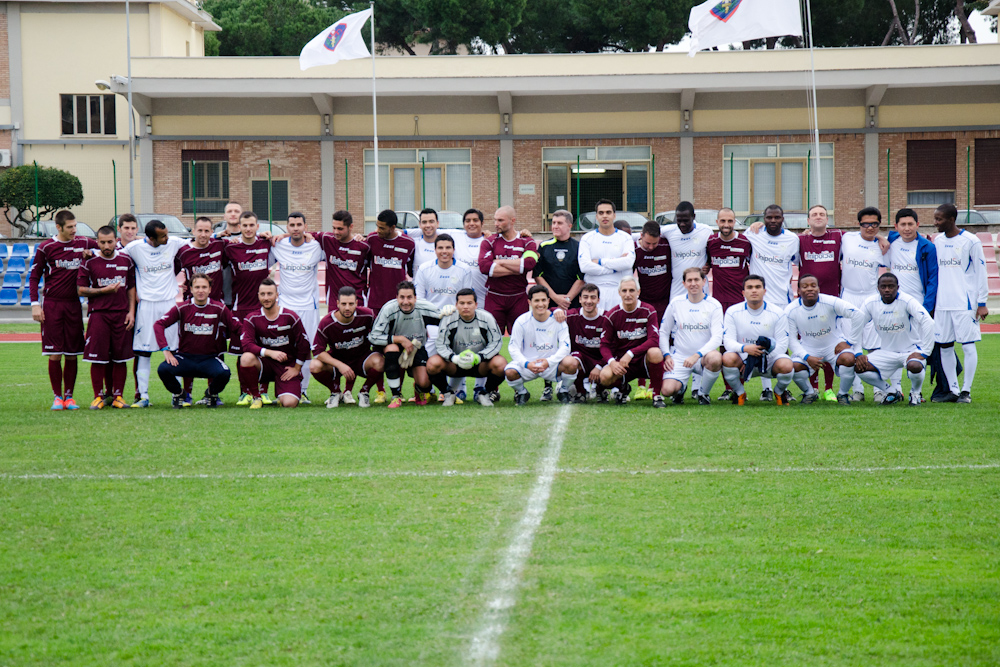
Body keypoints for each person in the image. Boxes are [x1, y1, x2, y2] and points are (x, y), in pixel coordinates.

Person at [28, 209, 99, 410]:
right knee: (55, 354)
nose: (74, 230)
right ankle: (57, 397)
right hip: (52, 305)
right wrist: (35, 305)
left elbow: (106, 247)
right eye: (70, 227)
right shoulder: (46, 247)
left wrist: (93, 252)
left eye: (75, 226)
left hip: (74, 305)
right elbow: (34, 278)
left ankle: (69, 397)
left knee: (72, 353)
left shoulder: (84, 243)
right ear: (58, 227)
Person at [311, 210, 379, 403]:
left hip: (357, 301)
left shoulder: (363, 246)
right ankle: (337, 391)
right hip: (335, 302)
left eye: (340, 228)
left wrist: (364, 236)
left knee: (356, 342)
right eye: (333, 227)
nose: (335, 232)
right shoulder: (327, 239)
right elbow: (305, 234)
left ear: (351, 227)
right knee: (339, 344)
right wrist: (281, 235)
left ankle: (349, 391)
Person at [124, 218, 189, 408]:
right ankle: (143, 396)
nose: (167, 238)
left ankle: (177, 395)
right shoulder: (135, 248)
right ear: (151, 238)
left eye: (167, 233)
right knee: (144, 353)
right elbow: (113, 253)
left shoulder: (174, 242)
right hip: (147, 306)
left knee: (174, 352)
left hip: (169, 304)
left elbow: (198, 242)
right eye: (163, 236)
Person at [154, 273, 241, 408]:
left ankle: (211, 394)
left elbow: (238, 328)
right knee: (163, 369)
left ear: (210, 289)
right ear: (191, 289)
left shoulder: (219, 308)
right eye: (197, 287)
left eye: (204, 287)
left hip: (209, 359)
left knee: (224, 373)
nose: (201, 290)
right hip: (185, 358)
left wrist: (251, 342)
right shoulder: (182, 308)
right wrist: (165, 350)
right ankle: (179, 394)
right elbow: (159, 324)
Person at [931, 203, 989, 403]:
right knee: (945, 346)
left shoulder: (971, 241)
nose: (935, 222)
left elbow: (982, 272)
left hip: (964, 303)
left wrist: (982, 302)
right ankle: (953, 390)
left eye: (939, 219)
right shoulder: (937, 241)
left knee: (967, 345)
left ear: (951, 219)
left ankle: (966, 391)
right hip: (942, 304)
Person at [744, 204, 799, 401]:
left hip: (782, 301)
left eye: (777, 217)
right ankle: (766, 389)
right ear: (764, 219)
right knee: (760, 342)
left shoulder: (793, 239)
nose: (773, 221)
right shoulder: (752, 234)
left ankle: (781, 387)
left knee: (781, 345)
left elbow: (800, 261)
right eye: (769, 217)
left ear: (783, 219)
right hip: (758, 299)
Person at [854, 273, 935, 406]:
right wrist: (858, 353)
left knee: (914, 366)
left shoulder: (907, 301)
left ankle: (915, 394)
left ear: (898, 287)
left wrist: (925, 352)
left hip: (910, 351)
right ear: (877, 288)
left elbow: (928, 322)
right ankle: (891, 392)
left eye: (891, 286)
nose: (887, 290)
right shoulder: (870, 303)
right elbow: (856, 327)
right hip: (886, 352)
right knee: (859, 367)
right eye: (883, 286)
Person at [77, 225, 136, 409]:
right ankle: (98, 397)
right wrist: (105, 290)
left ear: (116, 240)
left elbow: (131, 288)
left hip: (121, 315)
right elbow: (81, 289)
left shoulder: (126, 260)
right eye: (102, 242)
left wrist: (131, 312)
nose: (106, 245)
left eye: (110, 241)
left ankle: (118, 396)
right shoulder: (89, 262)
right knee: (97, 358)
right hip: (99, 315)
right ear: (97, 242)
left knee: (121, 357)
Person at [783, 274, 865, 406]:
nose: (810, 289)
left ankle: (843, 394)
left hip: (833, 347)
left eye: (813, 286)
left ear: (818, 289)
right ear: (798, 291)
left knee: (849, 359)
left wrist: (849, 341)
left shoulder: (830, 301)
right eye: (805, 286)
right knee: (794, 366)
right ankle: (809, 393)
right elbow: (791, 339)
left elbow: (858, 315)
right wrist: (807, 356)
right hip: (809, 348)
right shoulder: (790, 310)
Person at [269, 211, 324, 403]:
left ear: (305, 227)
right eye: (291, 225)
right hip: (285, 305)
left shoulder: (316, 246)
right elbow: (260, 239)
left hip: (309, 305)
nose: (295, 228)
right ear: (287, 227)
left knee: (306, 347)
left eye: (299, 225)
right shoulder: (278, 245)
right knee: (284, 347)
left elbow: (336, 240)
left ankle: (303, 390)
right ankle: (283, 389)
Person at [223, 211, 275, 405]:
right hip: (241, 307)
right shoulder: (230, 248)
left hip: (264, 308)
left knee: (265, 349)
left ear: (257, 227)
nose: (248, 228)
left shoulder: (265, 244)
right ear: (239, 227)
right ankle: (244, 392)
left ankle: (264, 391)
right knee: (240, 352)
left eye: (251, 225)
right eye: (244, 225)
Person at [176, 216, 229, 405]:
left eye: (207, 231)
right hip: (191, 308)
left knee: (217, 349)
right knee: (189, 349)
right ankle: (186, 394)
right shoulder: (184, 252)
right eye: (200, 230)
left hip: (216, 308)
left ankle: (212, 394)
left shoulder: (219, 246)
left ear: (211, 232)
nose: (204, 234)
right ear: (194, 231)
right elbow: (170, 272)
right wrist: (181, 287)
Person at [534, 209, 585, 401]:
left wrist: (568, 300)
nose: (555, 226)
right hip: (549, 305)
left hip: (571, 305)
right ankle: (547, 386)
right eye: (553, 223)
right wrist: (555, 298)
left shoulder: (579, 247)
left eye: (559, 223)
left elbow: (582, 277)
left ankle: (569, 385)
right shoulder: (544, 246)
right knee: (548, 344)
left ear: (570, 226)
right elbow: (537, 275)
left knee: (572, 343)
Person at [721, 274, 795, 405]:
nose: (754, 290)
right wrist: (745, 350)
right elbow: (728, 342)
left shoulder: (778, 312)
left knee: (786, 364)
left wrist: (761, 358)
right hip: (743, 360)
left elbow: (783, 344)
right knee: (727, 358)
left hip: (769, 360)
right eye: (749, 287)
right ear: (743, 292)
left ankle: (779, 392)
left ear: (764, 291)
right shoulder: (732, 311)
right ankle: (739, 393)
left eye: (757, 287)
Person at [886, 208, 938, 397]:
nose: (907, 228)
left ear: (918, 224)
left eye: (910, 224)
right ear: (896, 226)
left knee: (918, 348)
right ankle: (896, 388)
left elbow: (933, 278)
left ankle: (917, 392)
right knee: (894, 346)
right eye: (903, 224)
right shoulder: (891, 242)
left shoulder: (927, 247)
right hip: (896, 305)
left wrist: (927, 307)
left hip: (918, 304)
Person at [237, 278, 311, 409]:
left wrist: (297, 368)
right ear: (258, 296)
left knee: (289, 403)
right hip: (265, 364)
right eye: (263, 294)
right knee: (246, 358)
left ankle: (283, 391)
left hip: (286, 367)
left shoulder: (290, 316)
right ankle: (257, 397)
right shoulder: (252, 318)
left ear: (277, 295)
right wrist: (270, 353)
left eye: (270, 294)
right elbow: (247, 345)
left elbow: (304, 345)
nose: (266, 298)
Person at [368, 280, 443, 409]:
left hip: (417, 347)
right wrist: (400, 339)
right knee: (392, 348)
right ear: (396, 297)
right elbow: (373, 337)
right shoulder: (388, 309)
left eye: (409, 297)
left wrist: (451, 312)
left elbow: (446, 320)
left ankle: (419, 390)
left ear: (415, 298)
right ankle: (396, 396)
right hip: (395, 346)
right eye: (402, 297)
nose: (405, 301)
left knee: (424, 382)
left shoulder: (425, 307)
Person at [839, 206, 888, 401]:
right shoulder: (847, 238)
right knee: (852, 344)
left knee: (874, 346)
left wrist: (883, 238)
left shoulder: (883, 246)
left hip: (871, 298)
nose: (870, 228)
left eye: (874, 224)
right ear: (859, 224)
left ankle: (878, 389)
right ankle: (857, 390)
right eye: (866, 224)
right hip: (849, 297)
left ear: (878, 225)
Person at [427, 287, 507, 407]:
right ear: (456, 305)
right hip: (455, 364)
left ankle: (484, 393)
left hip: (480, 364)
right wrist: (454, 358)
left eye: (469, 303)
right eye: (462, 303)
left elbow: (496, 343)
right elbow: (441, 344)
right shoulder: (448, 318)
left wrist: (479, 357)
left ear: (476, 304)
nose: (465, 306)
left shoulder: (487, 318)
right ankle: (448, 394)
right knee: (432, 363)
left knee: (501, 364)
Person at [309, 286, 384, 409]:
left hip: (361, 359)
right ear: (337, 303)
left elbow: (379, 335)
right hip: (338, 360)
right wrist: (340, 365)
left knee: (380, 361)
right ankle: (336, 392)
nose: (347, 308)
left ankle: (364, 392)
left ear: (356, 303)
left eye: (351, 304)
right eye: (343, 304)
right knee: (314, 365)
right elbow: (318, 351)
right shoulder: (327, 323)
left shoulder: (368, 315)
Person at [659, 267, 724, 405]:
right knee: (666, 390)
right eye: (689, 280)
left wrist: (697, 355)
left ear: (704, 282)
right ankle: (680, 390)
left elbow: (717, 337)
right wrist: (667, 355)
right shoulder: (676, 303)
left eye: (696, 280)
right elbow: (664, 332)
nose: (693, 283)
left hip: (702, 357)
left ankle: (703, 393)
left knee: (716, 358)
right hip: (680, 356)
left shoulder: (714, 305)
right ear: (684, 284)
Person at [598, 277, 666, 408]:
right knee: (605, 377)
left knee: (656, 352)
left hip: (643, 360)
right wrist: (612, 362)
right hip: (623, 363)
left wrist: (631, 353)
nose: (628, 294)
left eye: (631, 290)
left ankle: (657, 395)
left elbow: (654, 340)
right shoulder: (612, 315)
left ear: (638, 292)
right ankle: (623, 388)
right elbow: (604, 344)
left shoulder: (648, 310)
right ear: (619, 293)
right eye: (624, 291)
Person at [705, 208, 751, 401]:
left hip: (741, 303)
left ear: (735, 222)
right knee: (724, 345)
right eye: (722, 221)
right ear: (717, 222)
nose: (726, 225)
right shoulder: (711, 243)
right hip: (720, 303)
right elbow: (705, 265)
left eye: (730, 221)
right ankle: (728, 387)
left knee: (741, 344)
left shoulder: (746, 243)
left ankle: (740, 385)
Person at [504, 285, 574, 406]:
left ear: (548, 301)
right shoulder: (521, 321)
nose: (540, 304)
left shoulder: (558, 320)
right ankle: (522, 392)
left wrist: (549, 362)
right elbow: (513, 348)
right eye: (536, 300)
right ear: (529, 302)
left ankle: (563, 391)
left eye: (543, 300)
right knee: (509, 372)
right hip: (528, 364)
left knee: (571, 363)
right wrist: (527, 364)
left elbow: (565, 347)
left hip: (551, 365)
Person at [478, 205, 538, 335]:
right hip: (494, 297)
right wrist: (518, 268)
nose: (496, 224)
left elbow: (529, 264)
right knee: (492, 337)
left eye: (500, 220)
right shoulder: (489, 242)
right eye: (495, 220)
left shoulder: (527, 241)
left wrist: (499, 262)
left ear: (513, 220)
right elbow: (484, 267)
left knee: (521, 338)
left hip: (518, 297)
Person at [578, 199, 636, 312]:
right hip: (594, 293)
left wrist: (600, 262)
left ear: (614, 215)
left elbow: (628, 262)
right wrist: (615, 267)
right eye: (601, 213)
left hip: (619, 293)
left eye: (608, 212)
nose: (605, 216)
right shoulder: (587, 239)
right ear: (596, 216)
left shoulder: (625, 238)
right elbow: (585, 267)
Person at [562, 283, 613, 402]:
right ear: (579, 299)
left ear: (598, 300)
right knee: (572, 361)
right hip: (582, 361)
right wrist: (556, 312)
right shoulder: (572, 315)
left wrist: (599, 366)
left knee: (612, 374)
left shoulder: (607, 317)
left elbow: (613, 348)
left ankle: (605, 389)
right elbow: (548, 313)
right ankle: (581, 391)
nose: (588, 301)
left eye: (592, 297)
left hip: (602, 362)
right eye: (585, 297)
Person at [366, 209, 416, 315]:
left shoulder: (408, 243)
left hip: (399, 301)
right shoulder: (372, 239)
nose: (378, 230)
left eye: (382, 228)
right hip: (375, 301)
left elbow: (411, 270)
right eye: (377, 226)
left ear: (393, 227)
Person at [661, 201, 713, 301]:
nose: (682, 224)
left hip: (700, 289)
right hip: (678, 290)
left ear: (693, 217)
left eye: (685, 221)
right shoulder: (668, 231)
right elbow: (647, 233)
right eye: (679, 221)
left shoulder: (706, 231)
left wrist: (709, 264)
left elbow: (713, 250)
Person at [414, 234, 472, 311]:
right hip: (430, 314)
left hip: (455, 315)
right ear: (435, 250)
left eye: (448, 248)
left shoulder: (465, 270)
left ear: (453, 250)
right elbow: (419, 298)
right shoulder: (423, 269)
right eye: (440, 248)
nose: (444, 251)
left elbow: (466, 298)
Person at [408, 208, 440, 275]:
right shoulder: (413, 244)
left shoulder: (446, 245)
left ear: (437, 223)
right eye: (424, 222)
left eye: (431, 221)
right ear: (420, 224)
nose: (428, 225)